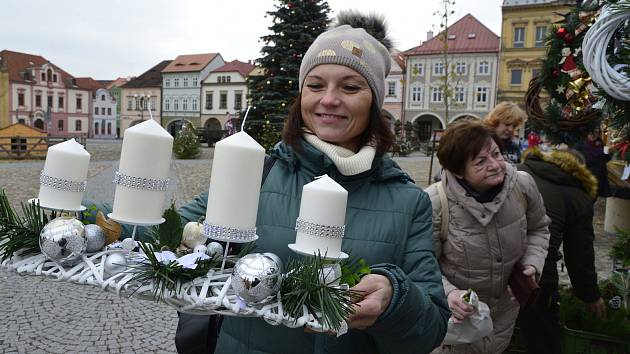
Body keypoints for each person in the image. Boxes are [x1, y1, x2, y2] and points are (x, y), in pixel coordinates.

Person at [177, 15, 450, 353]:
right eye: (316, 85)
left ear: (374, 102)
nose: (329, 99)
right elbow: (175, 226)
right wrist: (99, 220)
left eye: (350, 87)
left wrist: (395, 299)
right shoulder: (257, 175)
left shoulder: (409, 202)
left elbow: (431, 330)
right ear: (302, 94)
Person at [425, 120, 550, 354]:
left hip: (503, 314)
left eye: (496, 154)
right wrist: (449, 293)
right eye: (480, 162)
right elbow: (422, 264)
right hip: (456, 320)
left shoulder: (522, 186)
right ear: (459, 171)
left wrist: (533, 263)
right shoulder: (434, 203)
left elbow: (539, 228)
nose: (494, 165)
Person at [516, 147, 605, 354]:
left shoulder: (520, 170)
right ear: (581, 171)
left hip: (492, 262)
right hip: (537, 272)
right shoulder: (577, 195)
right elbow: (579, 255)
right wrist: (590, 295)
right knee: (544, 337)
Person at [577, 131, 611, 197]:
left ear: (598, 134)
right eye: (590, 133)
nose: (593, 135)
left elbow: (606, 159)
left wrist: (608, 151)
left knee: (594, 197)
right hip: (587, 176)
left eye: (595, 133)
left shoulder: (601, 143)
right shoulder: (580, 144)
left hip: (599, 177)